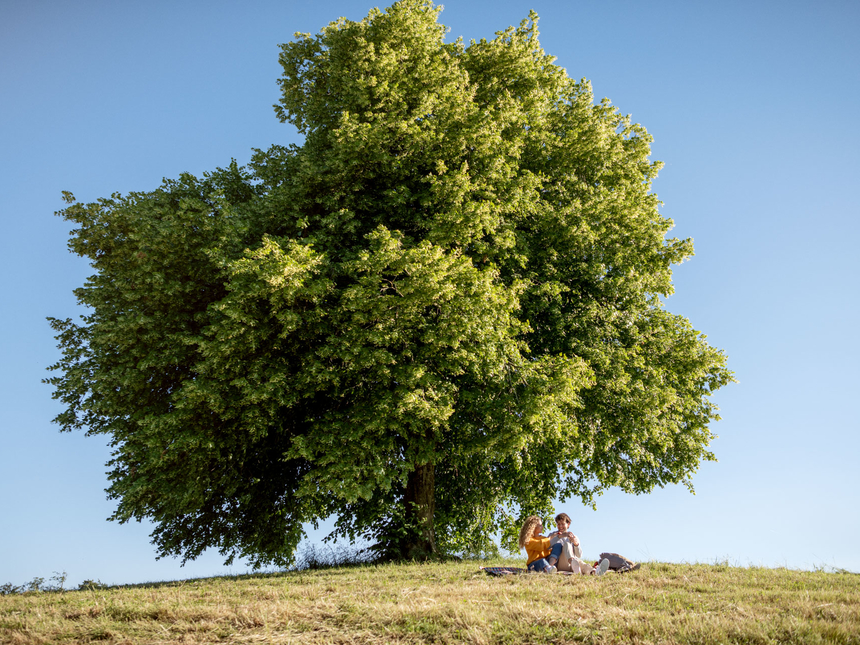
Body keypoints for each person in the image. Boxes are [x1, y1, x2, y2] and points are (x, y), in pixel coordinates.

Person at [548, 512, 611, 576]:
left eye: (562, 524)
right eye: (558, 524)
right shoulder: (553, 535)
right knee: (567, 545)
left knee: (581, 563)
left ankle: (594, 572)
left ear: (568, 524)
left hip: (574, 564)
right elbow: (547, 546)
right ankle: (573, 563)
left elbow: (579, 555)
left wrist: (576, 544)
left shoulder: (574, 536)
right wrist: (561, 536)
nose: (560, 526)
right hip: (561, 564)